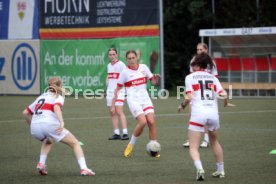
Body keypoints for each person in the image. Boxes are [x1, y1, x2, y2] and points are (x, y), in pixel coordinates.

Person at [22, 77, 95, 176]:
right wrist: (61, 122)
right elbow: (56, 106)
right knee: (75, 143)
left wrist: (33, 125)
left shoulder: (41, 97)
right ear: (60, 86)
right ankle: (84, 169)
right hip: (49, 125)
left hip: (35, 128)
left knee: (48, 141)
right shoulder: (58, 97)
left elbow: (25, 113)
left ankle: (41, 164)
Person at [178, 53, 227, 181]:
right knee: (215, 142)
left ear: (196, 64)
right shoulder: (213, 78)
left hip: (198, 113)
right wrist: (226, 102)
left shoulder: (190, 77)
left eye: (193, 63)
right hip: (213, 114)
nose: (191, 65)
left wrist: (182, 106)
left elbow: (189, 97)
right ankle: (221, 171)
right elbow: (223, 94)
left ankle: (200, 169)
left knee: (193, 147)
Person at [182, 43, 234, 148]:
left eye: (201, 49)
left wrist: (218, 93)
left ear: (206, 50)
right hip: (196, 92)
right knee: (193, 114)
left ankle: (206, 139)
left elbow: (215, 78)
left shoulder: (211, 63)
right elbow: (192, 77)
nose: (199, 51)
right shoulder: (194, 60)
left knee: (205, 114)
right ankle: (192, 139)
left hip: (208, 93)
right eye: (197, 49)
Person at [111, 50, 160, 158]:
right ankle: (131, 145)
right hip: (133, 101)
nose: (132, 60)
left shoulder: (144, 67)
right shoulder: (124, 72)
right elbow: (117, 89)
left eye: (133, 58)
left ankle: (154, 148)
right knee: (142, 122)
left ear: (137, 58)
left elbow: (153, 82)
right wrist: (113, 105)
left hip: (145, 99)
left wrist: (156, 80)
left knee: (151, 121)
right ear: (126, 60)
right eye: (129, 58)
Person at [106, 48, 129, 140]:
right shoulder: (108, 65)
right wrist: (107, 83)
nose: (112, 56)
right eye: (110, 54)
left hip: (119, 91)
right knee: (112, 112)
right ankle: (116, 133)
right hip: (110, 91)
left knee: (119, 111)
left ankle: (125, 133)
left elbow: (126, 75)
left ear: (117, 55)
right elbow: (109, 76)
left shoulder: (121, 64)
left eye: (113, 54)